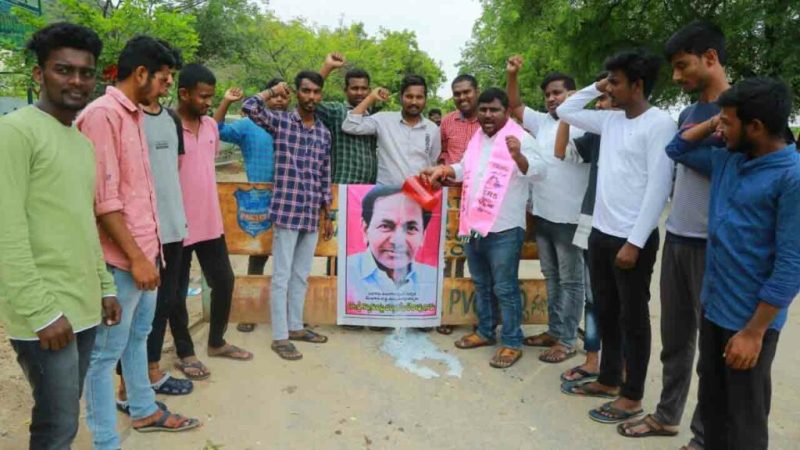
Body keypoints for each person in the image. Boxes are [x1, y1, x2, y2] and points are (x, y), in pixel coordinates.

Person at [0, 22, 121, 449]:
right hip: (46, 315)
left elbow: (82, 222)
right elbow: (5, 230)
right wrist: (41, 311)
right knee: (56, 426)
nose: (76, 81)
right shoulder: (15, 133)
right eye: (62, 70)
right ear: (38, 75)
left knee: (66, 420)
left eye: (85, 72)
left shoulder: (80, 143)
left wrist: (104, 285)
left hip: (83, 307)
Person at [666, 77, 800, 450]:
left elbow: (791, 265)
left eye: (726, 121)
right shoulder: (728, 158)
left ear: (755, 127)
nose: (719, 127)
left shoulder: (792, 177)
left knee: (745, 419)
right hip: (714, 309)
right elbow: (676, 146)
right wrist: (715, 123)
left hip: (750, 321)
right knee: (713, 410)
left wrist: (754, 332)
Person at [78, 36, 200, 446]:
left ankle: (144, 409)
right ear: (142, 73)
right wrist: (136, 258)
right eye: (164, 79)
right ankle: (105, 441)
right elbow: (105, 202)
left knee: (137, 337)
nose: (167, 87)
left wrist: (154, 255)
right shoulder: (102, 116)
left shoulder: (135, 116)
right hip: (122, 260)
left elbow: (140, 193)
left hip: (148, 253)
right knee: (104, 354)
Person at [617, 21, 729, 445]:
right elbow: (678, 158)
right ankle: (666, 416)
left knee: (714, 351)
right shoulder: (689, 114)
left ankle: (705, 435)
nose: (678, 77)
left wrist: (688, 146)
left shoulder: (741, 109)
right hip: (678, 236)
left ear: (711, 58)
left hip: (714, 246)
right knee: (675, 340)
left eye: (683, 66)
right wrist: (693, 140)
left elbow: (731, 171)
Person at [556, 49, 676, 425]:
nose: (609, 87)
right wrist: (595, 84)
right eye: (607, 80)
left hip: (631, 242)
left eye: (616, 81)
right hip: (601, 234)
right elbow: (566, 111)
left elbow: (659, 188)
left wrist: (635, 242)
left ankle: (632, 395)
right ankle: (609, 379)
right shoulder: (611, 121)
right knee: (606, 312)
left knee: (633, 319)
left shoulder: (659, 124)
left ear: (638, 85)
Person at [420, 87, 546, 369]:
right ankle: (486, 332)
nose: (487, 115)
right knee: (482, 284)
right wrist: (444, 171)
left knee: (505, 287)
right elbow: (466, 168)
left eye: (494, 110)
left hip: (504, 228)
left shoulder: (521, 138)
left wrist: (519, 157)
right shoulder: (478, 137)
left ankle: (512, 342)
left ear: (506, 111)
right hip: (473, 224)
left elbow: (541, 172)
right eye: (484, 110)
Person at [242, 73, 335, 361]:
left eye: (316, 92)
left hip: (309, 214)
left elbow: (324, 175)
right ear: (296, 93)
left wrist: (327, 213)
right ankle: (280, 336)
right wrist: (271, 91)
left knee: (300, 275)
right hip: (286, 210)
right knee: (281, 276)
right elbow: (249, 108)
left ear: (320, 95)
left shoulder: (323, 133)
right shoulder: (281, 122)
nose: (311, 96)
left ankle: (295, 326)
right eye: (306, 91)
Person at [507, 56, 589, 364]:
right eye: (548, 95)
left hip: (571, 218)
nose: (552, 98)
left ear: (573, 93)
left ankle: (567, 339)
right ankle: (554, 331)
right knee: (552, 276)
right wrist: (512, 74)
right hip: (543, 214)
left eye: (558, 92)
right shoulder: (542, 122)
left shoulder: (586, 123)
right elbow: (515, 106)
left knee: (571, 280)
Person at [173, 63, 253, 368]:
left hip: (209, 223)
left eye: (211, 97)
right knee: (176, 294)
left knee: (224, 281)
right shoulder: (167, 126)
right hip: (176, 227)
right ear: (183, 93)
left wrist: (223, 106)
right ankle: (185, 352)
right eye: (203, 96)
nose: (208, 102)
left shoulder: (208, 126)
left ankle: (217, 342)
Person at [214, 77, 289, 333]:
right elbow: (217, 129)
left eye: (284, 95)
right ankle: (249, 310)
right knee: (257, 255)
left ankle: (290, 311)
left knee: (288, 259)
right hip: (258, 202)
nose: (280, 99)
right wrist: (225, 101)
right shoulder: (248, 125)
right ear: (267, 97)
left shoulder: (294, 125)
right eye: (275, 95)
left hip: (291, 200)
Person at [553, 72, 613, 385]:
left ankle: (622, 367)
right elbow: (561, 151)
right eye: (600, 97)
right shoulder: (597, 134)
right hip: (592, 222)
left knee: (623, 301)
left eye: (608, 96)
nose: (602, 103)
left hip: (624, 228)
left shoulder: (646, 128)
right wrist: (569, 114)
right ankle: (592, 359)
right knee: (593, 297)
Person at [436, 73, 483, 334]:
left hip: (480, 202)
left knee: (477, 257)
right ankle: (448, 314)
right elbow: (442, 155)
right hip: (452, 200)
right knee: (450, 257)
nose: (462, 97)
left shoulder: (490, 120)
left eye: (467, 92)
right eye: (457, 93)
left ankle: (478, 315)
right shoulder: (446, 122)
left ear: (477, 91)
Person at [345, 186, 437, 308]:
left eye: (410, 228)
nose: (397, 241)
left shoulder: (432, 277)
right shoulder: (347, 273)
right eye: (385, 226)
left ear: (423, 236)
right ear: (365, 229)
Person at [342, 74, 441, 185]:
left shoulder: (432, 129)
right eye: (409, 96)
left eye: (419, 97)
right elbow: (349, 125)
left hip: (420, 196)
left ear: (425, 99)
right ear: (401, 97)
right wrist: (371, 97)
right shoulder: (383, 120)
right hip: (385, 194)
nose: (414, 102)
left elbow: (433, 162)